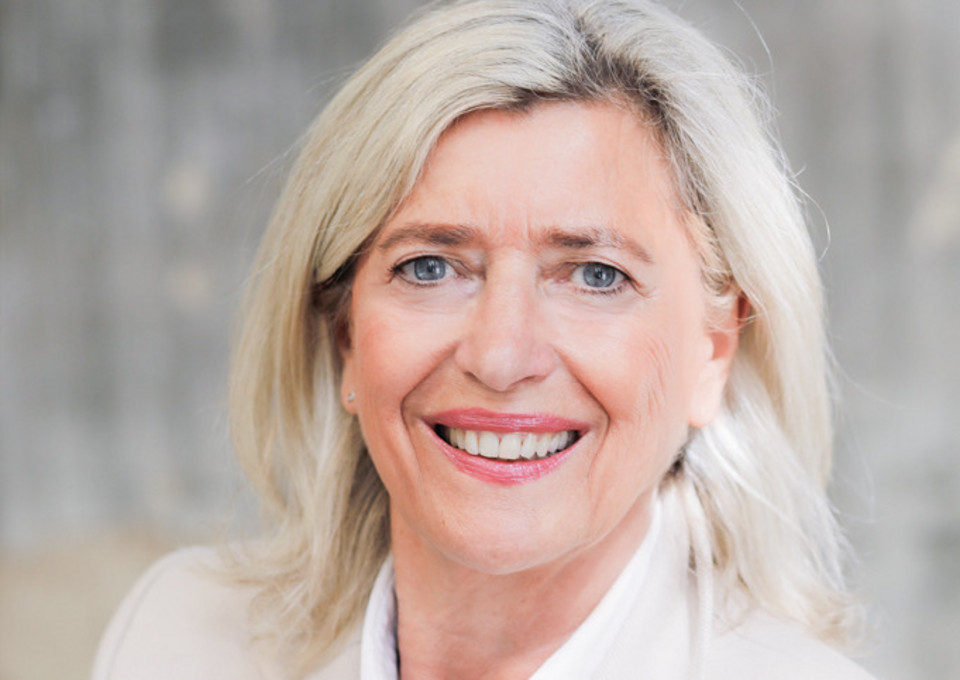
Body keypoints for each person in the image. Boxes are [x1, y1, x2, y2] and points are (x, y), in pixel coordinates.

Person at [92, 1, 876, 678]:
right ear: (345, 335)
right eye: (429, 267)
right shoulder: (174, 640)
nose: (501, 359)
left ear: (714, 349)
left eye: (595, 275)